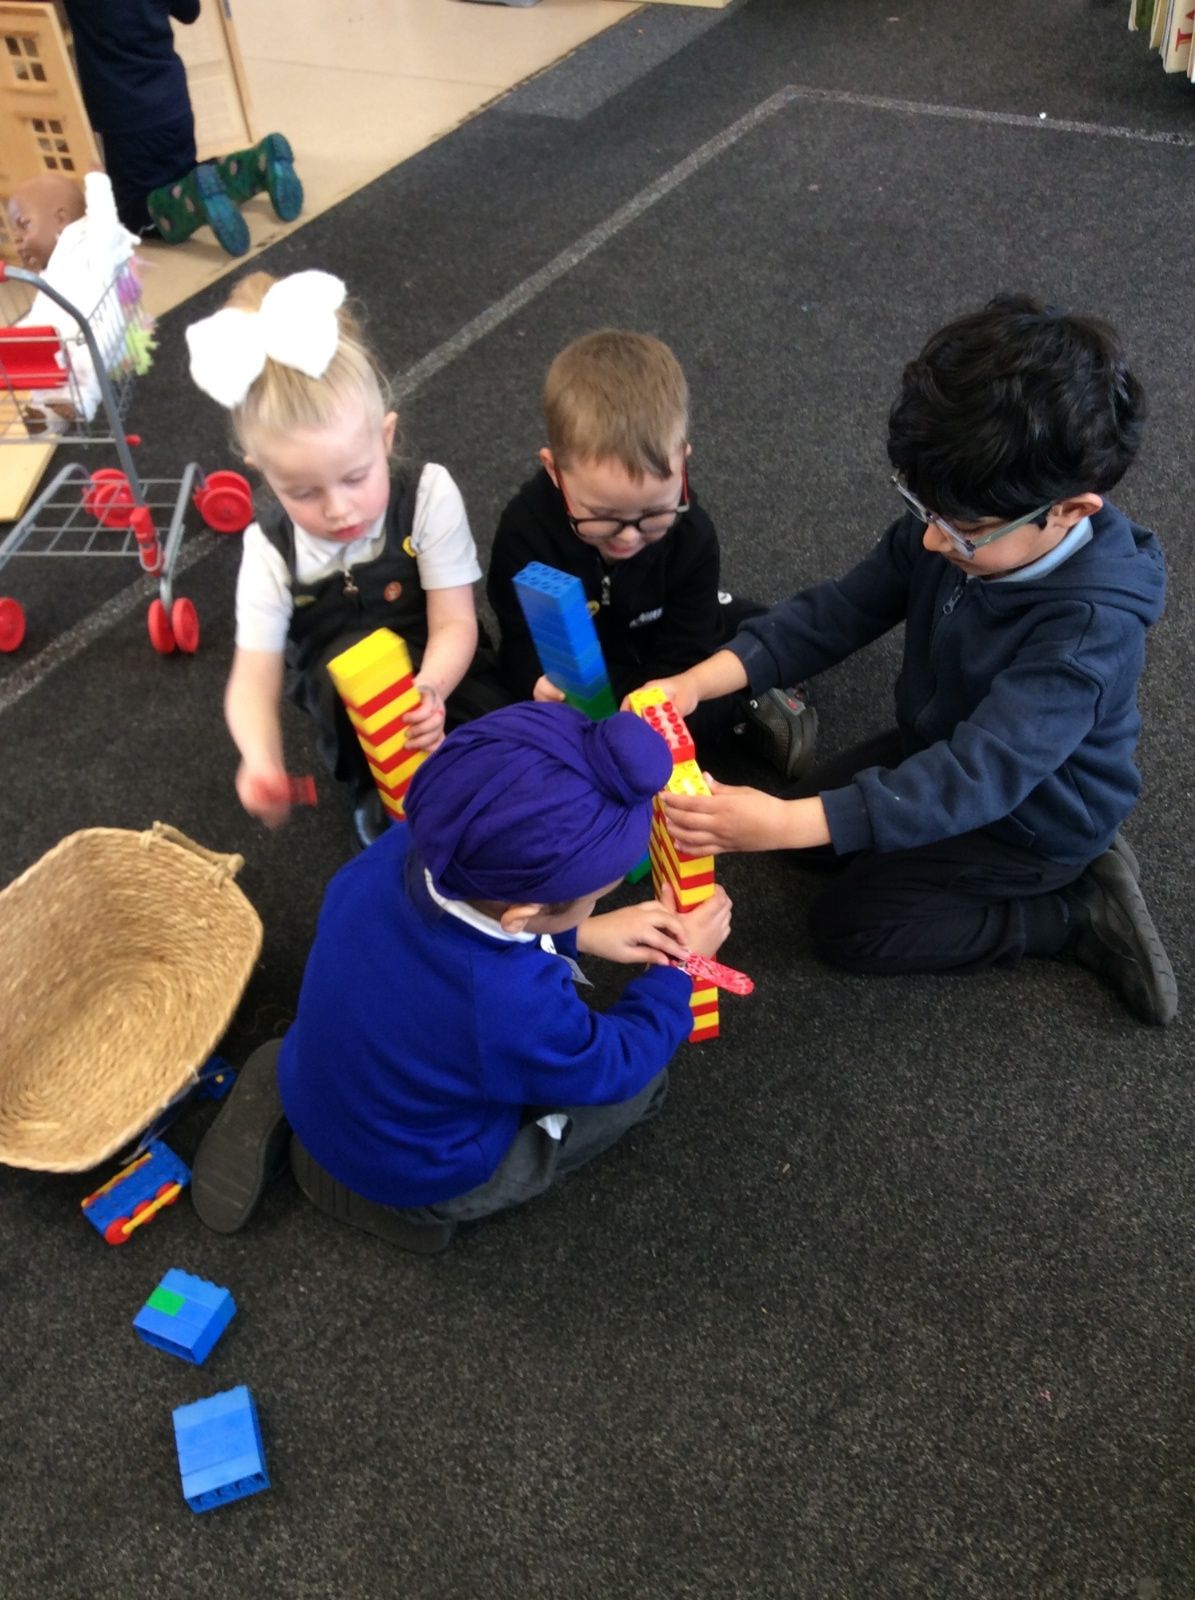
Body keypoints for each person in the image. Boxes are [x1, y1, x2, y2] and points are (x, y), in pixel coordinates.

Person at [639, 294, 1177, 1027]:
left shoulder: (1088, 631)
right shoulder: (961, 514)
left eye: (961, 530)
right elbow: (839, 611)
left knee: (852, 927)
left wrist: (785, 821)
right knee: (806, 841)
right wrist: (696, 682)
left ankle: (1070, 914)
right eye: (922, 510)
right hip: (940, 741)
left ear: (1071, 511)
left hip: (1028, 819)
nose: (929, 541)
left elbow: (975, 777)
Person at [189, 702, 733, 1252]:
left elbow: (480, 932)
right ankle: (384, 1202)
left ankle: (305, 1102)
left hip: (316, 1070)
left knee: (403, 1047)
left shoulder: (404, 848)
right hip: (415, 1169)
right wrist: (675, 978)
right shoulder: (508, 1006)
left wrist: (582, 933)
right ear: (522, 915)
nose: (595, 908)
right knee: (642, 1088)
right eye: (594, 899)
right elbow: (612, 1064)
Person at [186, 268, 505, 850]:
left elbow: (455, 621)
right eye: (303, 492)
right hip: (353, 710)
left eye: (356, 478)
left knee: (493, 753)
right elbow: (252, 679)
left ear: (386, 438)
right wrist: (260, 757)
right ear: (263, 474)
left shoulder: (427, 495)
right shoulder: (270, 551)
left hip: (443, 668)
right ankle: (377, 797)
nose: (338, 509)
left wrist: (431, 689)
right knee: (351, 693)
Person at [485, 328, 818, 779]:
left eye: (654, 513)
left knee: (746, 648)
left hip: (663, 653)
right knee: (522, 725)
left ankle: (761, 696)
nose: (627, 537)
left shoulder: (691, 534)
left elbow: (686, 655)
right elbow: (518, 640)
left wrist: (654, 711)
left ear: (682, 464)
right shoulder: (525, 533)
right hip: (593, 668)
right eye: (602, 516)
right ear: (554, 471)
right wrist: (536, 682)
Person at [59, 0, 302, 255]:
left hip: (124, 117)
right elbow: (189, 11)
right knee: (183, 175)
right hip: (174, 105)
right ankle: (259, 163)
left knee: (133, 213)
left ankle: (194, 197)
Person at [5, 170, 141, 424]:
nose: (17, 238)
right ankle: (45, 412)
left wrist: (97, 185)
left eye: (24, 224)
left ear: (61, 219)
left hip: (96, 328)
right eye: (14, 231)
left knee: (86, 360)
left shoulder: (88, 241)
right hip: (61, 333)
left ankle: (81, 403)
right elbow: (45, 310)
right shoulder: (51, 268)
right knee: (36, 351)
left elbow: (106, 225)